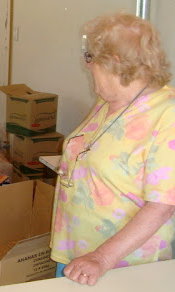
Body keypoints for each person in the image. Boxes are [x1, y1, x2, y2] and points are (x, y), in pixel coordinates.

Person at [50, 13, 175, 286]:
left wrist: (101, 258)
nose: (88, 65)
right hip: (76, 252)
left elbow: (162, 206)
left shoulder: (168, 115)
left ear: (115, 63)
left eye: (90, 58)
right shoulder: (110, 99)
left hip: (121, 265)